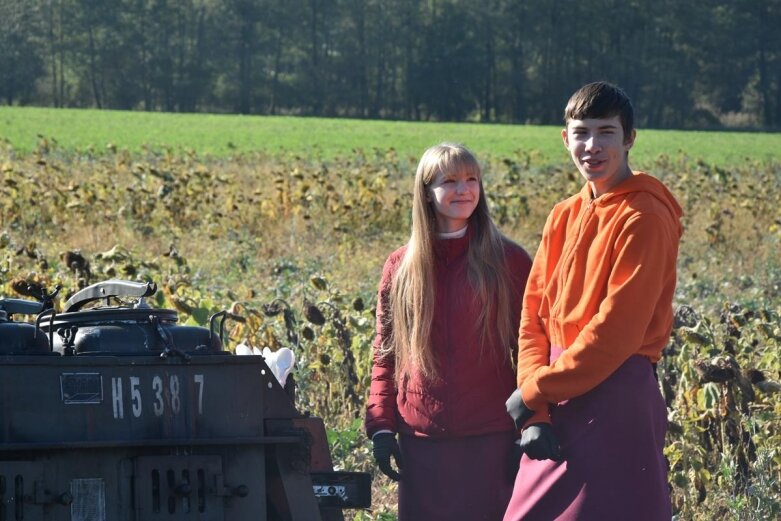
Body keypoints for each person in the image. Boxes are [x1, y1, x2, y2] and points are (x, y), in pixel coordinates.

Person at [503, 81, 682, 520]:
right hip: (555, 392)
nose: (592, 145)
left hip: (616, 393)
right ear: (565, 138)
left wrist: (536, 390)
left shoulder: (645, 216)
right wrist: (536, 410)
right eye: (582, 132)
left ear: (629, 138)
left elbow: (616, 332)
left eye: (606, 132)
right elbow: (534, 315)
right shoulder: (564, 213)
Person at [365, 143, 533, 520]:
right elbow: (386, 353)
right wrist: (380, 426)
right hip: (421, 441)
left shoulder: (509, 261)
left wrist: (531, 424)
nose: (464, 190)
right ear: (426, 191)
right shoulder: (400, 267)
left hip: (491, 437)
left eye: (472, 179)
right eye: (451, 181)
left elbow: (531, 349)